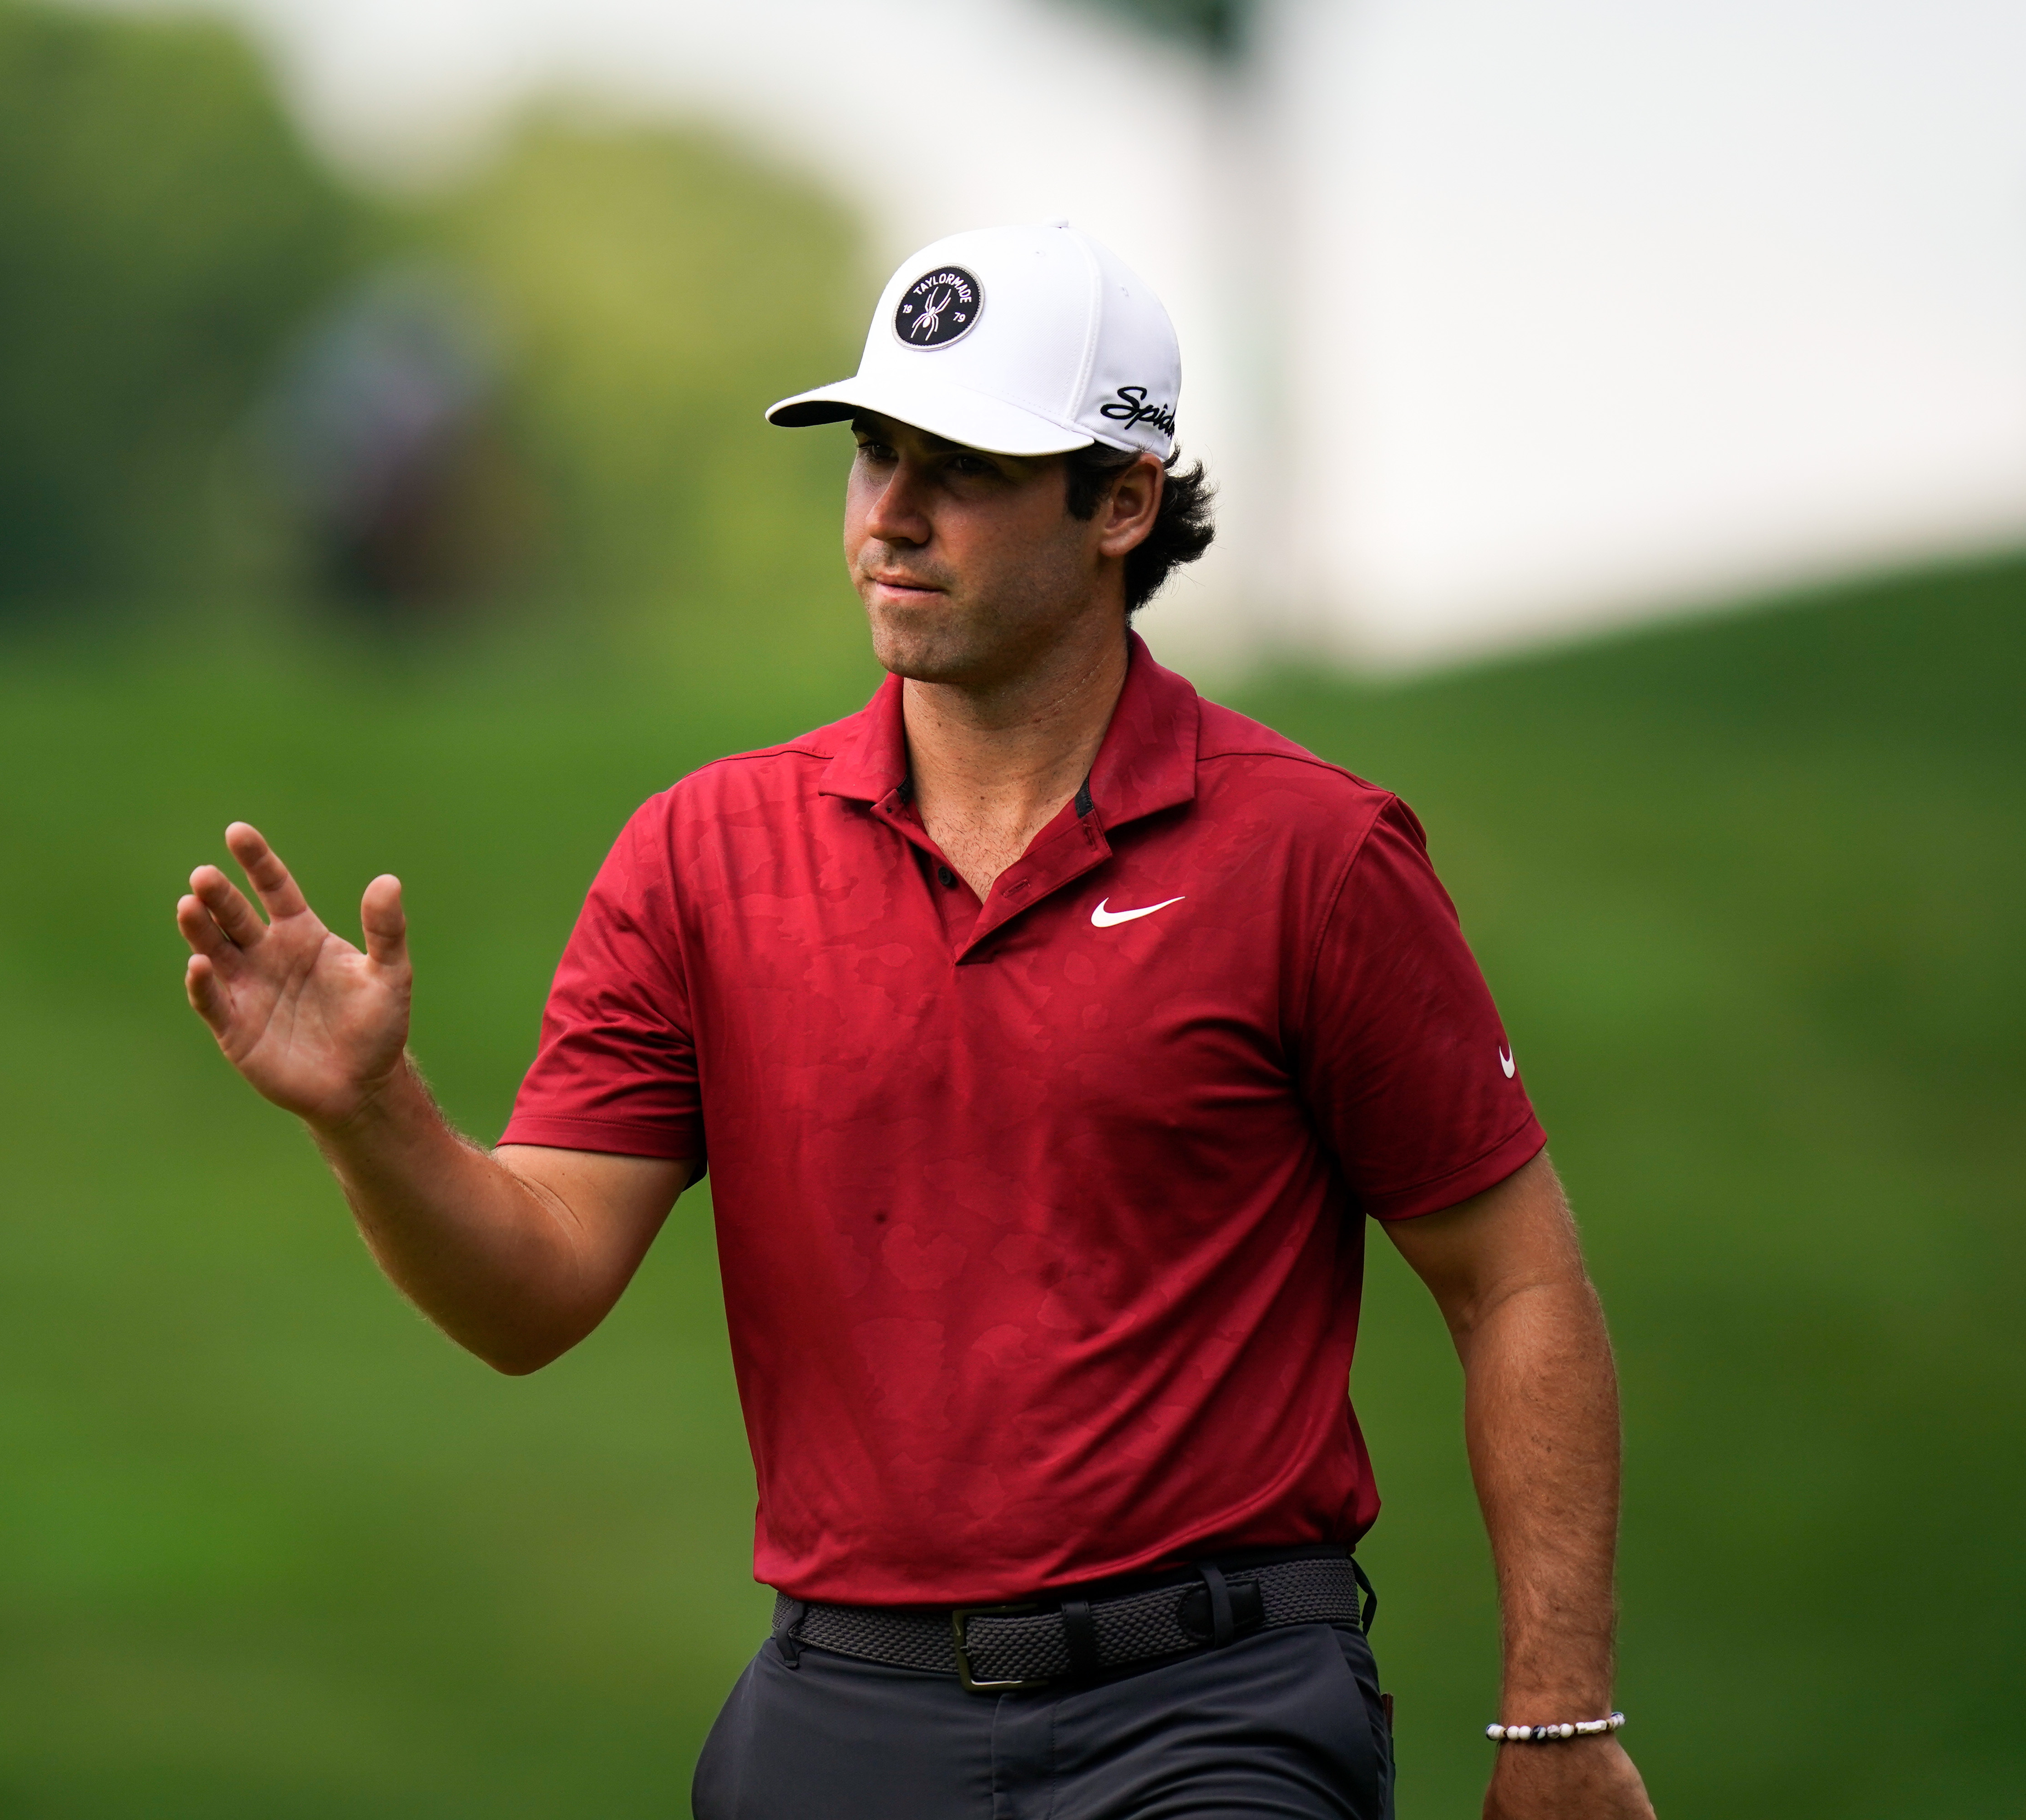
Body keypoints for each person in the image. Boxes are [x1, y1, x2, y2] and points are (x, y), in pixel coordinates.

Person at [177, 222, 1656, 1820]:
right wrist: (371, 1115)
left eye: (963, 468)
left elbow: (1517, 1281)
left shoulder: (1313, 855)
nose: (890, 510)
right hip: (844, 1713)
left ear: (1122, 503)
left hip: (1211, 1710)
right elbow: (531, 1294)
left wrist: (1557, 1721)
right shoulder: (700, 856)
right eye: (876, 452)